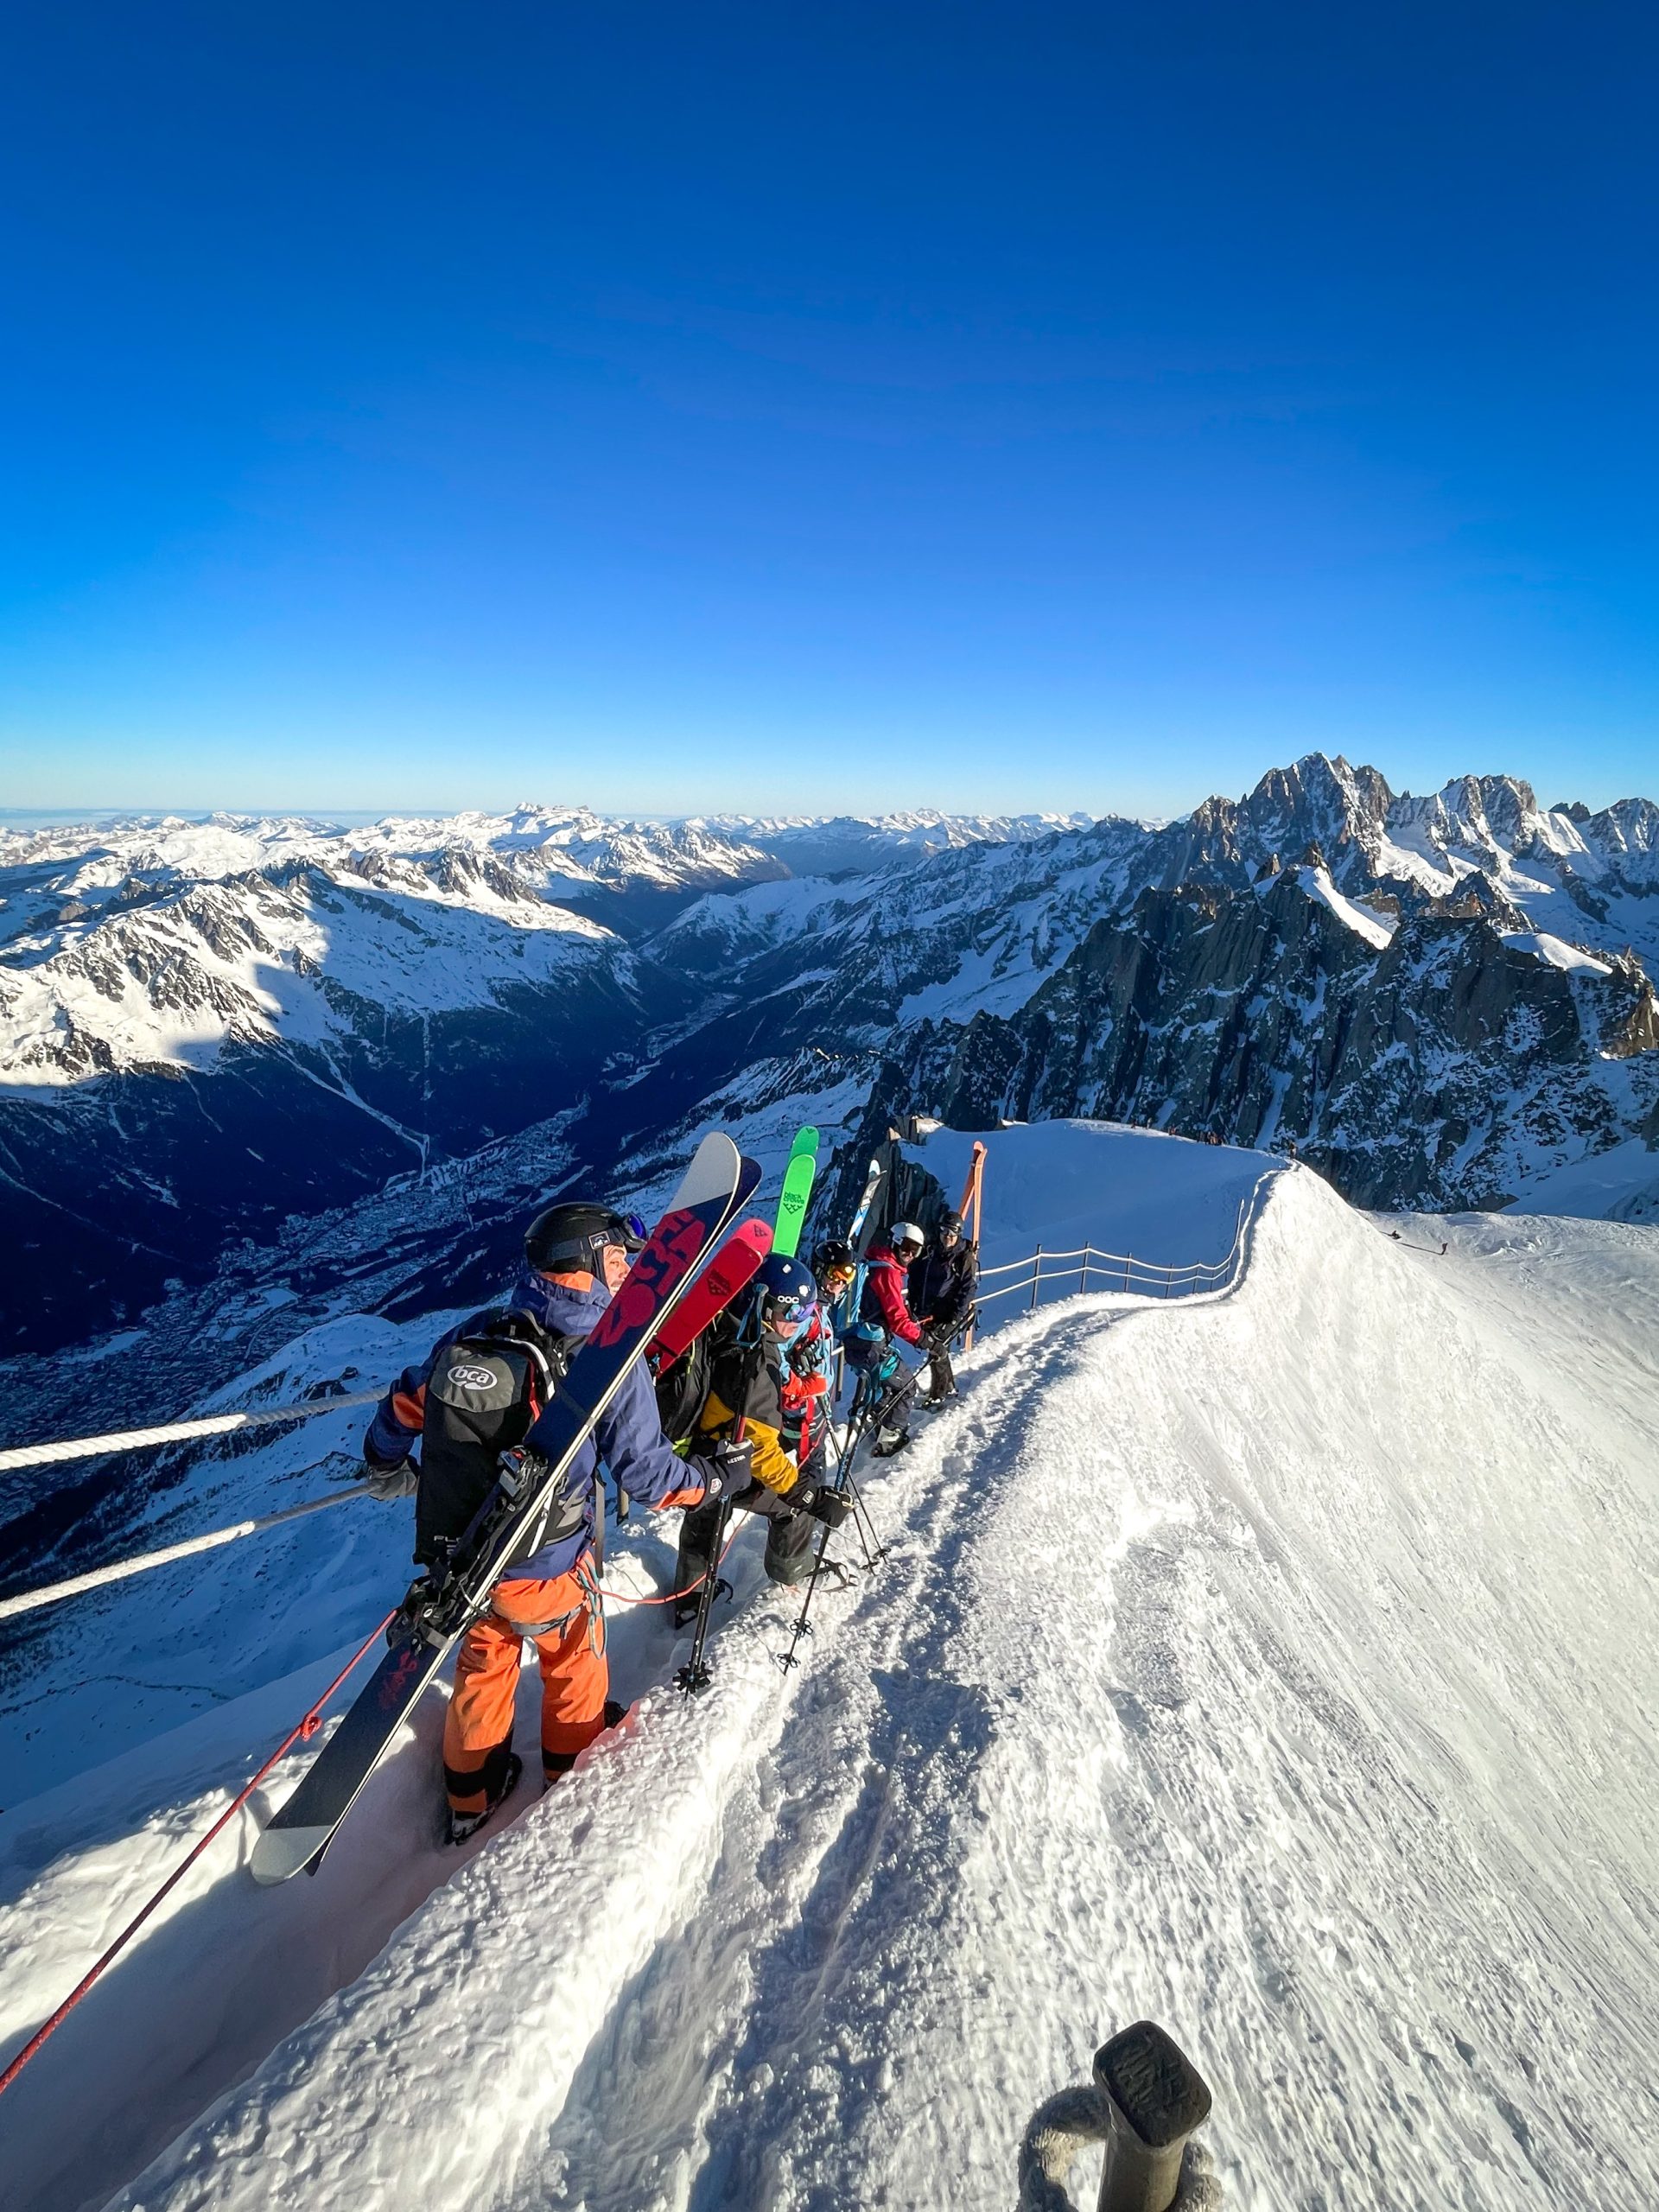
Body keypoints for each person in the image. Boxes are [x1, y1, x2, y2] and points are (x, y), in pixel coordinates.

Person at [363, 1198, 751, 1843]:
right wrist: (713, 1481)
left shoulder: (481, 1330)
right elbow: (648, 1476)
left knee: (485, 1663)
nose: (629, 1271)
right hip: (553, 1567)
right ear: (587, 1263)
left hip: (469, 1561)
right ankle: (570, 1774)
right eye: (620, 1259)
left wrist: (387, 1464)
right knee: (575, 1660)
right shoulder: (609, 1357)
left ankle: (470, 1796)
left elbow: (408, 1400)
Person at [671, 1252, 852, 1627]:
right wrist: (809, 1497)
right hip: (731, 1464)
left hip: (698, 1456)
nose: (799, 1324)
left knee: (705, 1511)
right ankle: (791, 1570)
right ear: (768, 1310)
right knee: (791, 1507)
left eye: (805, 1315)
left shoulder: (723, 1327)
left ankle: (690, 1595)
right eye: (794, 1314)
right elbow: (763, 1455)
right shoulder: (758, 1363)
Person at [842, 1219, 928, 1457]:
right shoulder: (888, 1272)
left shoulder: (872, 1263)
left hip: (857, 1342)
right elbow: (899, 1321)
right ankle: (890, 1439)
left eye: (916, 1250)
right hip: (873, 1346)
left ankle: (880, 1426)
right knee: (907, 1386)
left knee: (885, 1388)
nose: (910, 1254)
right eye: (906, 1247)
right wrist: (924, 1341)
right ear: (895, 1243)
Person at [907, 1209, 977, 1405]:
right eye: (944, 1231)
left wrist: (956, 1317)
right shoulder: (932, 1252)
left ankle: (938, 1395)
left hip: (949, 1314)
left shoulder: (964, 1258)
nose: (948, 1237)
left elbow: (968, 1289)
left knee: (936, 1350)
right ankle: (948, 1387)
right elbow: (917, 1277)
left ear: (958, 1234)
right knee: (939, 1350)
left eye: (952, 1233)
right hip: (930, 1312)